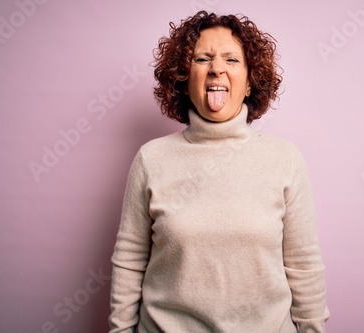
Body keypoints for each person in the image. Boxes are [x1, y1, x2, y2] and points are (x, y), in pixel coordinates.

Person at [109, 10, 329, 333]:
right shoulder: (151, 160)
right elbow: (128, 265)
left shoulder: (285, 160)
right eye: (202, 59)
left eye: (231, 59)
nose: (216, 69)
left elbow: (304, 268)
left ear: (251, 82)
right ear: (184, 78)